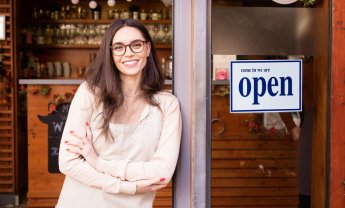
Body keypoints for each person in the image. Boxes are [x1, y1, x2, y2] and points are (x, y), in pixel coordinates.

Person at [56, 19, 182, 208]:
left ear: (147, 49)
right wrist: (127, 187)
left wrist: (98, 163)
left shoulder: (167, 105)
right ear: (110, 53)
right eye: (119, 47)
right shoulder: (90, 94)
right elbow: (68, 163)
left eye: (136, 45)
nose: (128, 53)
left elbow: (163, 171)